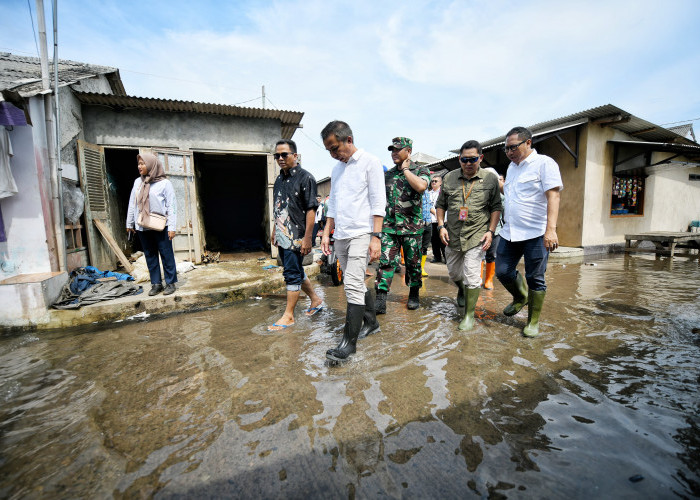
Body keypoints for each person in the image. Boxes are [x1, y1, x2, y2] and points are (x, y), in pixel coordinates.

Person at [321, 120, 386, 363]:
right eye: (328, 150)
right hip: (342, 235)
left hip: (362, 233)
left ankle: (349, 343)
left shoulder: (370, 162)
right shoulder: (337, 169)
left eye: (335, 148)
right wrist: (327, 232)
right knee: (355, 281)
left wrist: (376, 237)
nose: (333, 154)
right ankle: (372, 323)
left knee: (351, 285)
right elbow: (333, 203)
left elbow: (378, 201)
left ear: (348, 140)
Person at [496, 126, 562, 338]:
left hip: (536, 232)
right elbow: (511, 194)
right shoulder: (512, 168)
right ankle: (520, 297)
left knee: (535, 277)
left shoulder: (544, 163)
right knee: (503, 271)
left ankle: (533, 321)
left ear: (528, 143)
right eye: (506, 149)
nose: (509, 152)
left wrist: (550, 230)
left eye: (513, 147)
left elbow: (554, 196)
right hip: (510, 232)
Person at [436, 140, 502, 330]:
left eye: (472, 159)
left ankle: (469, 316)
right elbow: (441, 205)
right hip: (453, 235)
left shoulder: (490, 179)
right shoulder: (449, 178)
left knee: (472, 275)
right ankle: (462, 291)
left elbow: (496, 207)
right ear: (459, 159)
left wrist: (490, 231)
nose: (468, 163)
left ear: (480, 158)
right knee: (454, 272)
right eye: (464, 159)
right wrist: (441, 226)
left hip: (477, 235)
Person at [268, 139, 324, 330]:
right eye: (277, 155)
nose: (280, 158)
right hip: (282, 235)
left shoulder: (306, 178)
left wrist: (308, 238)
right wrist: (275, 230)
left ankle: (289, 315)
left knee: (291, 274)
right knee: (297, 271)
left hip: (297, 236)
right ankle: (316, 300)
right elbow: (279, 208)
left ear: (295, 155)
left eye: (284, 154)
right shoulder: (278, 179)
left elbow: (311, 210)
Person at [375, 137, 430, 312]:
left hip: (412, 228)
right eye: (392, 150)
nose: (394, 153)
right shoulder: (388, 175)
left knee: (413, 264)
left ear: (409, 151)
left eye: (398, 149)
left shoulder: (421, 170)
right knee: (386, 262)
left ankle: (414, 293)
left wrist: (406, 170)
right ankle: (381, 298)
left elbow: (421, 187)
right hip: (390, 227)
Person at [126, 153, 178, 296]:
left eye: (143, 163)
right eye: (139, 164)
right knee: (150, 255)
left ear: (151, 165)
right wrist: (129, 222)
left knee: (166, 254)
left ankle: (170, 283)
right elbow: (133, 203)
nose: (139, 166)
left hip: (161, 225)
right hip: (143, 225)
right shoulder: (138, 182)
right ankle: (156, 284)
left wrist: (172, 227)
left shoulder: (164, 183)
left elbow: (172, 206)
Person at [481, 168, 505, 289]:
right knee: (479, 254)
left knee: (492, 254)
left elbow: (506, 212)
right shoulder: (479, 192)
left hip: (497, 229)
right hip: (480, 229)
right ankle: (478, 278)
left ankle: (489, 279)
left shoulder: (502, 195)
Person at [429, 175, 446, 263]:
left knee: (443, 239)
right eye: (432, 181)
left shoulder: (443, 193)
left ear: (440, 183)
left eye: (436, 181)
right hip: (431, 220)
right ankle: (437, 257)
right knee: (434, 240)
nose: (434, 183)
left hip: (441, 220)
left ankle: (446, 257)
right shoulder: (428, 193)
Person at [420, 181, 434, 277]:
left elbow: (429, 207)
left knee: (425, 247)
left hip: (428, 223)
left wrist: (438, 215)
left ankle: (421, 268)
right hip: (418, 224)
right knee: (416, 247)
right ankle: (414, 268)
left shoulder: (428, 194)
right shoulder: (415, 192)